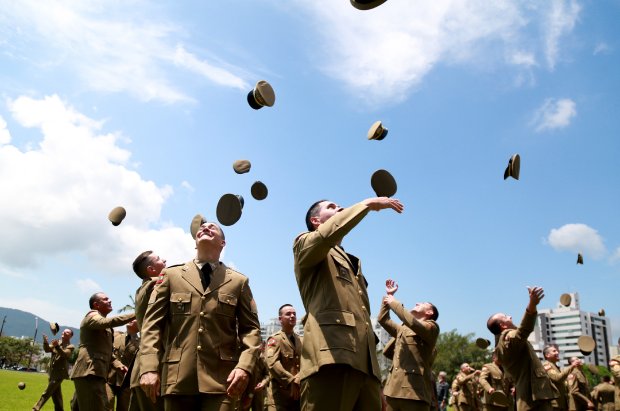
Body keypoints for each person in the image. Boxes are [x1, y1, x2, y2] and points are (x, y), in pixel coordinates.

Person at [293, 197, 404, 411]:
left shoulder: (352, 261)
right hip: (331, 357)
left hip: (366, 367)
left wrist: (376, 380)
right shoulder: (305, 243)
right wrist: (367, 205)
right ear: (316, 221)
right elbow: (325, 236)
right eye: (331, 207)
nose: (340, 208)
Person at [139, 220, 262, 411]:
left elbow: (251, 330)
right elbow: (151, 325)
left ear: (223, 243)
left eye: (213, 227)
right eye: (202, 228)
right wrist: (148, 366)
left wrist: (244, 366)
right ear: (195, 241)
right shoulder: (171, 275)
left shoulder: (238, 282)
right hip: (177, 378)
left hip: (223, 381)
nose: (205, 228)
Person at [486, 286, 557, 411]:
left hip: (533, 398)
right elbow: (524, 329)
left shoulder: (503, 344)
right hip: (532, 400)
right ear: (502, 325)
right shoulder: (508, 338)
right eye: (506, 316)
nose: (511, 316)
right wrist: (532, 304)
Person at [378, 279, 439, 411]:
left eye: (422, 304)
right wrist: (388, 298)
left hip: (415, 394)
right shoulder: (403, 328)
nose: (417, 303)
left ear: (429, 313)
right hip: (393, 391)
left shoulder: (432, 328)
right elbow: (383, 319)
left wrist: (394, 303)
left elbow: (413, 323)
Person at [70, 293, 136, 411]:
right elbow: (111, 321)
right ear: (96, 304)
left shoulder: (104, 325)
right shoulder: (92, 316)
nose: (110, 300)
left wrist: (119, 366)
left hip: (93, 373)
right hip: (90, 372)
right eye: (105, 299)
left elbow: (107, 352)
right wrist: (136, 314)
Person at [128, 250, 166, 411]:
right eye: (159, 259)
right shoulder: (154, 285)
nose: (165, 260)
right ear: (151, 270)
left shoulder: (142, 288)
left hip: (141, 371)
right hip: (153, 370)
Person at [265, 304, 302, 411]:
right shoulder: (275, 339)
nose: (292, 316)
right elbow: (272, 364)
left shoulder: (301, 340)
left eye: (294, 314)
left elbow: (307, 361)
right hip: (279, 398)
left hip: (298, 395)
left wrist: (298, 378)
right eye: (288, 314)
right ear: (280, 319)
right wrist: (291, 381)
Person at [32, 329, 75, 411]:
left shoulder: (70, 346)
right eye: (63, 331)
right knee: (56, 396)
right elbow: (47, 349)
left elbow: (65, 355)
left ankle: (35, 408)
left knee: (47, 392)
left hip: (60, 373)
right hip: (52, 372)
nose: (64, 332)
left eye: (67, 332)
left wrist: (57, 347)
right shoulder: (56, 342)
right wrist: (45, 342)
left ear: (71, 336)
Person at [107, 320, 140, 411]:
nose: (131, 320)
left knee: (124, 408)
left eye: (135, 319)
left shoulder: (141, 343)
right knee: (107, 404)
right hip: (109, 378)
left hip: (126, 383)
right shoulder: (115, 335)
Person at [542, 345, 577, 411]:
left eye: (557, 351)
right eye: (554, 351)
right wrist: (571, 366)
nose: (557, 352)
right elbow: (557, 378)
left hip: (561, 403)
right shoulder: (547, 365)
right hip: (555, 404)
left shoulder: (555, 366)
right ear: (547, 355)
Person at [240, 342, 270, 411]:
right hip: (244, 390)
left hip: (257, 392)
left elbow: (267, 375)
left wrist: (263, 383)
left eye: (261, 346)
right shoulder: (244, 356)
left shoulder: (263, 359)